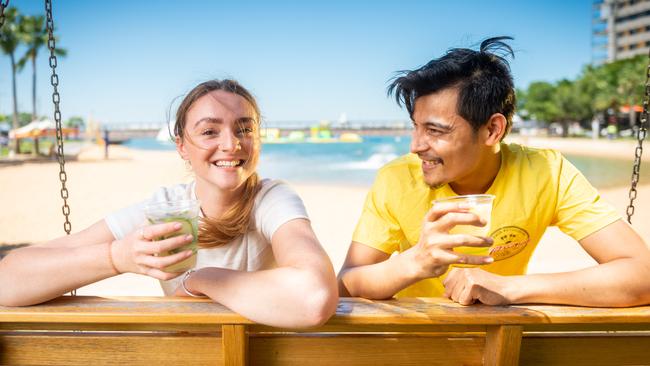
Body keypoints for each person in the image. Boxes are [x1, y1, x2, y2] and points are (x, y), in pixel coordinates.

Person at [338, 37, 650, 307]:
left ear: (492, 130)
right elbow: (347, 283)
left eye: (435, 130)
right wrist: (416, 261)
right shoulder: (397, 179)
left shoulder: (546, 173)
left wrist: (509, 288)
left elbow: (642, 274)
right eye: (416, 127)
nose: (416, 146)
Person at [0, 79, 338, 328]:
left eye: (244, 129)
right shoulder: (165, 208)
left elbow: (314, 297)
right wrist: (117, 257)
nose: (231, 144)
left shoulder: (271, 199)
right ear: (181, 146)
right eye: (209, 131)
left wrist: (199, 280)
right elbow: (8, 281)